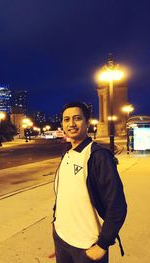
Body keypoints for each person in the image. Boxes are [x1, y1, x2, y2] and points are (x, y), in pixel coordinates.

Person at [52, 102, 127, 263]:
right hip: (62, 238)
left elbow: (117, 205)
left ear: (87, 122)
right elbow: (63, 194)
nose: (71, 124)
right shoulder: (67, 154)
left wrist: (103, 244)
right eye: (66, 119)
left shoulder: (98, 156)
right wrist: (58, 230)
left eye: (77, 118)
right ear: (62, 125)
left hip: (88, 244)